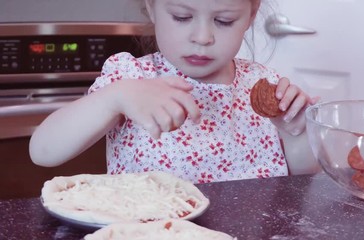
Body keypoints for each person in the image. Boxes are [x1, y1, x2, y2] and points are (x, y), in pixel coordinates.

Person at [29, 0, 319, 183]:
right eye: (182, 16)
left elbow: (302, 178)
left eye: (224, 20)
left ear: (251, 16)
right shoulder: (130, 79)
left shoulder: (262, 82)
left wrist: (295, 134)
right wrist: (113, 98)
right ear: (152, 7)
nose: (202, 37)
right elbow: (43, 151)